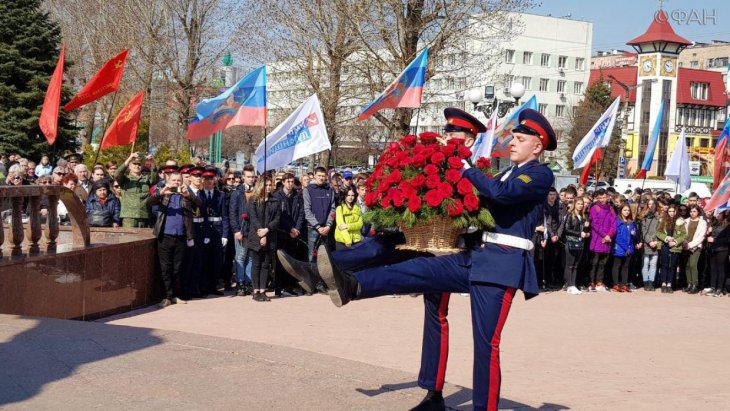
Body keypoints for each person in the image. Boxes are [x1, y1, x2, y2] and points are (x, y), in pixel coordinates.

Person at [304, 108, 556, 411]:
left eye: (519, 138)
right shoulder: (506, 171)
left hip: (502, 265)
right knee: (417, 270)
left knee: (486, 345)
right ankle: (352, 285)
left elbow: (501, 194)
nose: (512, 143)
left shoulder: (540, 174)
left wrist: (465, 169)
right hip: (473, 256)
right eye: (512, 137)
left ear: (538, 146)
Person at [148, 171, 199, 307]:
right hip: (165, 235)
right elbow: (149, 202)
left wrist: (189, 196)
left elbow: (200, 203)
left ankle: (175, 295)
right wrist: (161, 192)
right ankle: (167, 296)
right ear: (167, 180)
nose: (176, 183)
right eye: (174, 180)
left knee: (177, 268)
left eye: (178, 180)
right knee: (165, 268)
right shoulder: (163, 192)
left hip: (182, 236)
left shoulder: (185, 193)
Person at [245, 175, 281, 301]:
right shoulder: (254, 200)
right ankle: (255, 291)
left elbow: (277, 219)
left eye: (270, 185)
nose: (268, 187)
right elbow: (252, 217)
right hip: (256, 235)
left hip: (270, 235)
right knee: (256, 264)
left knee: (266, 264)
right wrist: (260, 231)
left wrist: (267, 230)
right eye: (266, 185)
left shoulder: (275, 201)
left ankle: (263, 290)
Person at [273, 172, 305, 296]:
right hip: (282, 233)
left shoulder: (298, 196)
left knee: (292, 261)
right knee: (280, 261)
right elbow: (279, 215)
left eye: (292, 181)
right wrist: (290, 228)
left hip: (294, 234)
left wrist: (297, 228)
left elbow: (301, 213)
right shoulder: (277, 196)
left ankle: (289, 286)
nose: (290, 184)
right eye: (288, 182)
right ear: (283, 182)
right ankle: (278, 286)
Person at [198, 167, 229, 296]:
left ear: (215, 180)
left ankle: (213, 286)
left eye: (211, 178)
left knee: (216, 261)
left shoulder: (220, 195)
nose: (209, 181)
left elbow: (225, 215)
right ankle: (204, 287)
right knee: (204, 260)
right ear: (202, 180)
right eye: (206, 178)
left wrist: (225, 234)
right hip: (203, 230)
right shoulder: (198, 195)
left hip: (217, 229)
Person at [229, 165, 256, 296]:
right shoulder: (237, 192)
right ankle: (240, 283)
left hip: (253, 231)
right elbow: (232, 213)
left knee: (250, 258)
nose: (251, 179)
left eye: (253, 177)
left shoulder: (257, 192)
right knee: (240, 257)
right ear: (243, 177)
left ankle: (248, 282)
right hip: (241, 229)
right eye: (249, 177)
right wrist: (235, 230)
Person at [115, 152, 158, 227]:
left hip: (144, 215)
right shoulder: (125, 179)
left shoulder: (146, 179)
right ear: (129, 166)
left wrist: (152, 162)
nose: (137, 166)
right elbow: (117, 174)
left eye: (139, 164)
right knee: (129, 238)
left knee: (144, 238)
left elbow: (155, 178)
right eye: (134, 164)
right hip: (129, 217)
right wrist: (129, 159)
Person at [303, 166, 335, 262]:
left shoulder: (329, 190)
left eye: (323, 176)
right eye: (319, 175)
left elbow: (333, 209)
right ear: (315, 176)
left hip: (326, 228)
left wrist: (329, 225)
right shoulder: (308, 190)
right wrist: (318, 227)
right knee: (312, 256)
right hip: (313, 229)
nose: (321, 178)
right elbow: (307, 211)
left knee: (325, 257)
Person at [559, 196, 588, 295]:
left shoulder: (583, 217)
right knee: (570, 264)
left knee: (576, 265)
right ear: (574, 204)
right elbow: (567, 230)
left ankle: (573, 284)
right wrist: (579, 233)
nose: (580, 206)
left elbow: (584, 231)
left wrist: (586, 229)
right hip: (570, 242)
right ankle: (569, 285)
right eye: (578, 204)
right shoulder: (570, 215)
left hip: (580, 243)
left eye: (582, 204)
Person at [588, 188, 616, 292]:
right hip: (597, 239)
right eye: (600, 198)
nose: (603, 200)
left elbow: (614, 224)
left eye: (604, 197)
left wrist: (610, 235)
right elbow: (595, 224)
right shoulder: (595, 208)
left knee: (603, 263)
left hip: (607, 241)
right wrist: (605, 235)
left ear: (607, 197)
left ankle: (600, 281)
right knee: (594, 263)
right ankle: (591, 282)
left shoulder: (611, 209)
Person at [656, 204, 687, 293]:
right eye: (670, 211)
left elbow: (684, 235)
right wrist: (666, 238)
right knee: (665, 264)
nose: (671, 213)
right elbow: (658, 232)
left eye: (673, 211)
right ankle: (663, 283)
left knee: (672, 265)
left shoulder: (680, 221)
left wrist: (675, 242)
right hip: (665, 245)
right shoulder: (663, 220)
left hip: (675, 246)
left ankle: (669, 283)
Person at [611, 204, 640, 292]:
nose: (627, 212)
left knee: (626, 266)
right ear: (621, 211)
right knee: (617, 265)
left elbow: (635, 236)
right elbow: (617, 237)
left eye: (628, 210)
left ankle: (624, 283)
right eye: (625, 210)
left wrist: (634, 234)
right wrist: (625, 247)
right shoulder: (617, 221)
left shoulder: (631, 222)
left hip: (629, 247)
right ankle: (615, 284)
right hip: (619, 248)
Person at [682, 204, 706, 294]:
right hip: (686, 245)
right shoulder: (686, 221)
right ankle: (689, 284)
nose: (692, 213)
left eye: (694, 211)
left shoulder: (702, 222)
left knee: (693, 265)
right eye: (691, 211)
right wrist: (685, 243)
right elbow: (683, 233)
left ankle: (695, 285)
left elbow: (701, 237)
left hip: (696, 247)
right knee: (687, 266)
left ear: (698, 212)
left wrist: (690, 245)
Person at [705, 211, 729, 296]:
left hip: (722, 249)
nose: (717, 215)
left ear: (724, 214)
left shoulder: (727, 225)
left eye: (719, 213)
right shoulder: (714, 224)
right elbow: (708, 237)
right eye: (717, 213)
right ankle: (713, 287)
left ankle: (720, 288)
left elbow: (727, 239)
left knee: (721, 269)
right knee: (713, 268)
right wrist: (708, 232)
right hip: (712, 249)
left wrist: (715, 240)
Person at [639, 198, 661, 291]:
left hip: (656, 242)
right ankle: (645, 282)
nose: (651, 206)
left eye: (653, 204)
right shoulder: (644, 216)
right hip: (646, 243)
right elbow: (643, 230)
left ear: (656, 205)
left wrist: (656, 241)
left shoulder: (659, 217)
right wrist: (649, 241)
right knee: (645, 263)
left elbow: (660, 230)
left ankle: (651, 282)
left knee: (653, 264)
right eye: (649, 204)